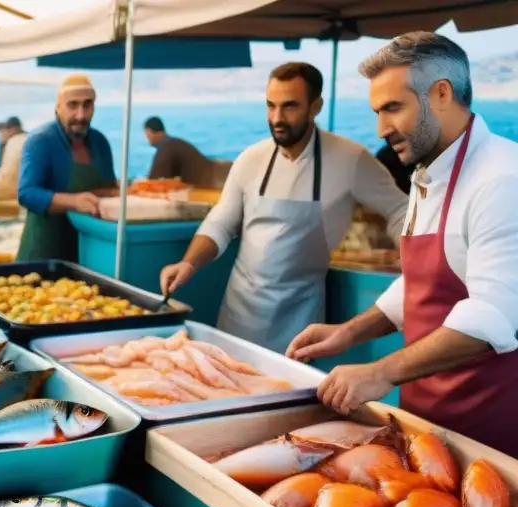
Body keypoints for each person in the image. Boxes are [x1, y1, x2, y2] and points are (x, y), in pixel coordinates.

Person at [287, 33, 518, 455]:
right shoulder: (426, 173)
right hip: (426, 423)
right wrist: (348, 333)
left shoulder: (502, 178)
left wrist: (381, 372)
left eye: (393, 108)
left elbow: (492, 316)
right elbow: (420, 281)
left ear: (442, 94)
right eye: (378, 111)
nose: (381, 129)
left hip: (490, 434)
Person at [159, 62, 408, 353]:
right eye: (270, 106)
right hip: (239, 317)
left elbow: (401, 210)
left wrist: (414, 261)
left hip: (299, 324)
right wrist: (188, 263)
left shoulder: (351, 159)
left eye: (290, 106)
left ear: (316, 106)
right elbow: (220, 223)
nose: (277, 118)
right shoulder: (251, 159)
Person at [16, 75, 117, 262]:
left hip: (88, 249)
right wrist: (74, 201)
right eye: (73, 105)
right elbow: (26, 193)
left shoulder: (100, 143)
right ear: (58, 106)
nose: (81, 115)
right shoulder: (41, 140)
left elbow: (108, 187)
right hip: (45, 251)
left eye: (87, 105)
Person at [143, 117, 217, 187]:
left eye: (147, 135)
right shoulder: (173, 143)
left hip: (207, 186)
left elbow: (152, 181)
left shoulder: (166, 148)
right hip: (212, 177)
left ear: (152, 132)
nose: (147, 139)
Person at [0, 116, 27, 200]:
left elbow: (6, 176)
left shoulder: (14, 143)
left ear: (13, 129)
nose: (1, 135)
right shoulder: (28, 139)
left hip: (14, 193)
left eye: (3, 131)